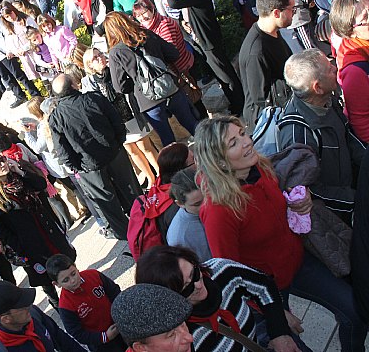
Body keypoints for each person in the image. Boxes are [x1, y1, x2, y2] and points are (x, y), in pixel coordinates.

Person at [194, 115, 368, 351]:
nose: (246, 142)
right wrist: (275, 312)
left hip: (300, 262)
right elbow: (230, 274)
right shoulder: (218, 210)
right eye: (232, 143)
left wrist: (301, 203)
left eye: (242, 133)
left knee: (356, 312)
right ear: (220, 162)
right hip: (266, 290)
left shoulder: (261, 167)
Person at [136, 246, 301, 352]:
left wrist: (279, 333)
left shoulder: (221, 270)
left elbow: (263, 285)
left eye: (194, 273)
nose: (199, 285)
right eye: (186, 288)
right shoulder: (177, 335)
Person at [49, 74, 141, 239]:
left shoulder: (56, 117)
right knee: (130, 188)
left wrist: (78, 166)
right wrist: (118, 143)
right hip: (110, 154)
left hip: (90, 165)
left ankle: (126, 234)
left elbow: (62, 152)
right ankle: (143, 218)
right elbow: (117, 121)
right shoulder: (93, 99)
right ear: (74, 85)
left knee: (109, 205)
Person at [280, 49, 365, 225]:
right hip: (334, 218)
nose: (335, 68)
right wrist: (356, 200)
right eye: (329, 69)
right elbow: (310, 192)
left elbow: (348, 136)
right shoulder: (298, 134)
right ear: (317, 87)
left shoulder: (327, 100)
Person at [0, 151, 75, 307]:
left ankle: (81, 293)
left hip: (48, 231)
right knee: (47, 283)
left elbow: (41, 184)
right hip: (30, 245)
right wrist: (20, 246)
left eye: (2, 160)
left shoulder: (18, 177)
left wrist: (20, 171)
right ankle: (63, 310)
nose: (3, 164)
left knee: (68, 263)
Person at [163, 0, 245, 116]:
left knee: (225, 74)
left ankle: (240, 103)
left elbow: (173, 4)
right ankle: (235, 103)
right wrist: (184, 23)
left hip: (210, 41)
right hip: (203, 41)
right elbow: (186, 13)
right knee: (220, 75)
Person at [104, 11, 198, 147]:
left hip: (148, 100)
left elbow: (120, 87)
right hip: (169, 87)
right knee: (192, 124)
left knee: (167, 140)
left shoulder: (116, 52)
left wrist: (136, 82)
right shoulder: (146, 34)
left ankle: (181, 167)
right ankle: (216, 153)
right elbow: (173, 53)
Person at [81, 48, 158, 189]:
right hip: (115, 123)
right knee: (133, 152)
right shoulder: (90, 82)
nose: (100, 58)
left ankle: (162, 173)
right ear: (89, 65)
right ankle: (150, 177)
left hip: (130, 114)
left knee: (145, 147)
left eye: (100, 54)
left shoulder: (114, 70)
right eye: (95, 58)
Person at [239, 0, 295, 131]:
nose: (294, 13)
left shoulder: (273, 32)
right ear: (276, 13)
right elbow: (261, 97)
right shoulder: (256, 52)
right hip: (268, 121)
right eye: (291, 9)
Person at [46, 254, 126, 352]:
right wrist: (105, 336)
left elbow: (115, 292)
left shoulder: (94, 275)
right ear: (57, 284)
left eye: (73, 273)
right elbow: (77, 333)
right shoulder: (65, 306)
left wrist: (122, 314)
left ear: (76, 267)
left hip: (120, 324)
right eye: (65, 280)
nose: (73, 280)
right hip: (100, 343)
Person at [0, 281, 88, 352]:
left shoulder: (32, 314)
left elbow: (59, 337)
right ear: (6, 319)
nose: (28, 306)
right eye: (21, 306)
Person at [330, 0, 369, 143]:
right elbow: (362, 125)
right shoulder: (355, 71)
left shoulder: (364, 42)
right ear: (350, 31)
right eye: (365, 18)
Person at [110, 283, 193, 352]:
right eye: (171, 335)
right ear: (141, 348)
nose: (190, 338)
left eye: (182, 325)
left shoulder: (201, 338)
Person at [166, 167, 211, 262]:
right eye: (197, 204)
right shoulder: (179, 237)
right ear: (180, 204)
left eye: (208, 197)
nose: (206, 205)